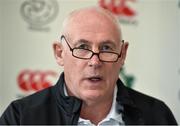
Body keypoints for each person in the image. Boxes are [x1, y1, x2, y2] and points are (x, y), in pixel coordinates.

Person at [0, 7, 177, 125]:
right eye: (82, 47)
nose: (95, 61)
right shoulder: (21, 118)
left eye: (106, 48)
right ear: (60, 53)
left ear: (122, 55)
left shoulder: (157, 117)